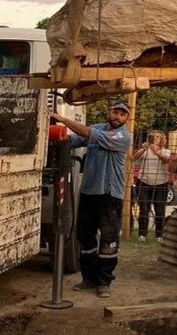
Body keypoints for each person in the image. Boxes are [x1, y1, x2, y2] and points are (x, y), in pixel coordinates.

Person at [50, 102, 131, 298]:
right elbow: (74, 141)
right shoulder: (96, 128)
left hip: (109, 193)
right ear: (109, 112)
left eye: (122, 114)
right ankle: (89, 278)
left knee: (108, 240)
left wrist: (63, 119)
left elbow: (87, 135)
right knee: (85, 237)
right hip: (89, 191)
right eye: (115, 112)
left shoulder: (123, 136)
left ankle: (104, 282)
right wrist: (53, 133)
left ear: (126, 118)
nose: (118, 116)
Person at [133, 130, 172, 243]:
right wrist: (143, 149)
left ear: (162, 140)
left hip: (161, 183)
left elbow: (165, 160)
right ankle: (142, 234)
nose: (155, 139)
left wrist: (157, 152)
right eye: (153, 137)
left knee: (160, 209)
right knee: (144, 209)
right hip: (144, 181)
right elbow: (134, 158)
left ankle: (159, 235)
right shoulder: (146, 150)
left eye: (157, 137)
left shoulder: (166, 151)